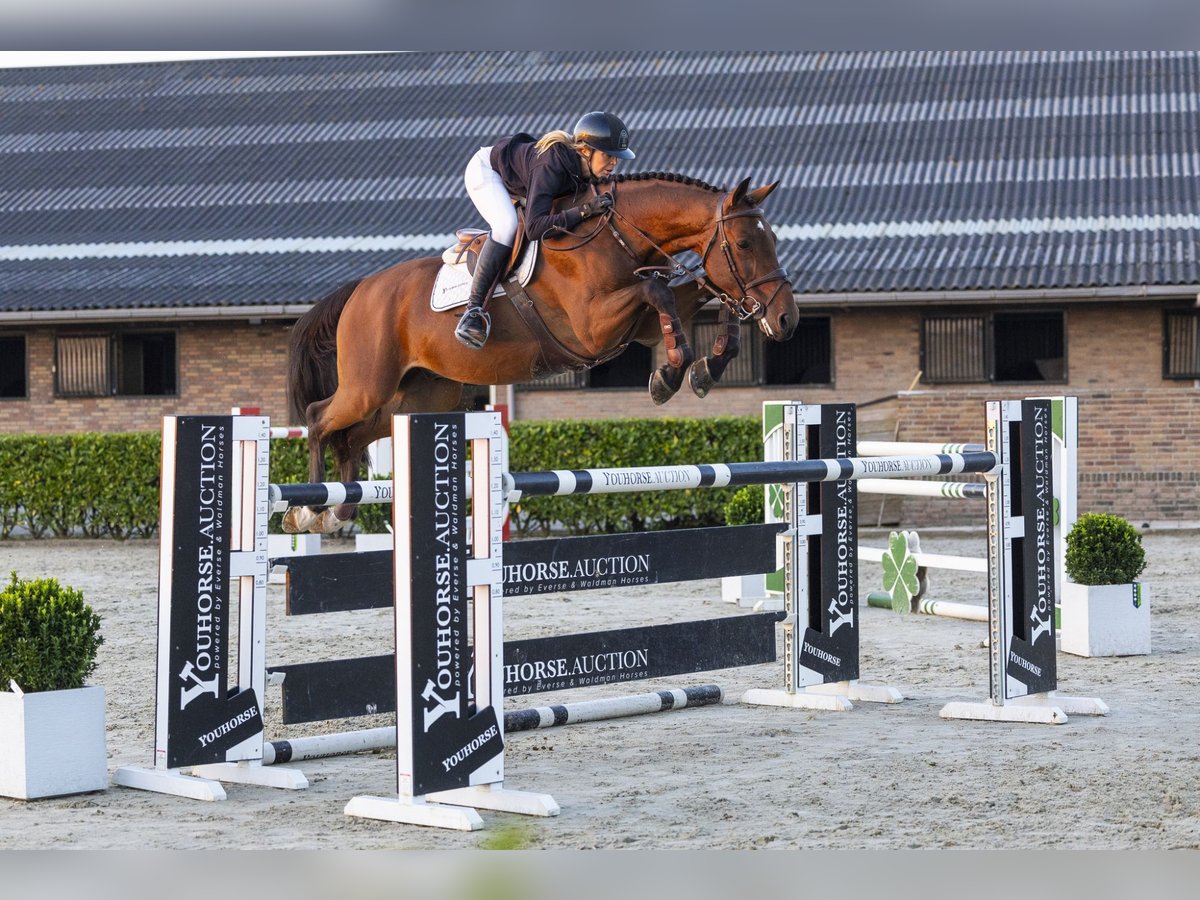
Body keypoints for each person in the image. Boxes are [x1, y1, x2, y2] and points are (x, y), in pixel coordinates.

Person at [454, 110, 636, 349]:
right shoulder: (551, 165)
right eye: (608, 156)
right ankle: (474, 310)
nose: (614, 163)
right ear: (584, 150)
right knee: (507, 226)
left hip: (520, 175)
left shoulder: (584, 170)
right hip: (487, 171)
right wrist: (584, 211)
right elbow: (535, 228)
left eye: (617, 157)